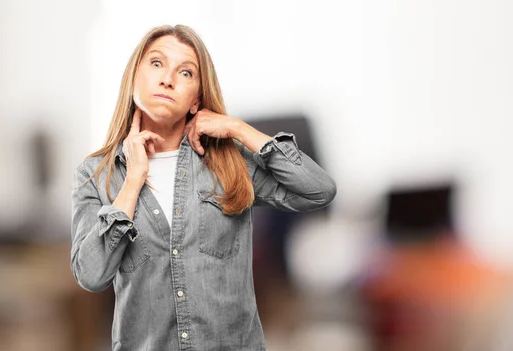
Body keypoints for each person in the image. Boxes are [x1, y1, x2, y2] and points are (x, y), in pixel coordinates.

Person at [70, 24, 337, 351]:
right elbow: (91, 275)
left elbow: (320, 190)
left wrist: (238, 128)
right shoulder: (96, 174)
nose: (167, 78)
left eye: (185, 72)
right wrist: (133, 180)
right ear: (133, 77)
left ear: (196, 99)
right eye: (156, 64)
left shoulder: (230, 162)